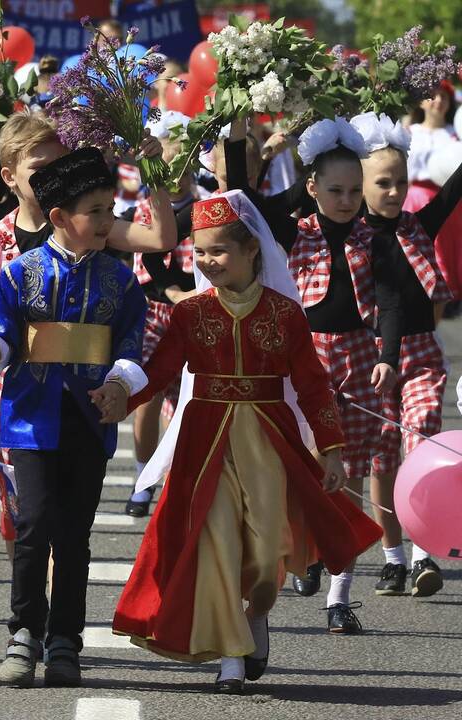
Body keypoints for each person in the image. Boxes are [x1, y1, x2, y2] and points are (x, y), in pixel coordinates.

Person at [112, 191, 383, 694]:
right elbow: (161, 371)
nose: (208, 262)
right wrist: (115, 401)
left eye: (218, 251)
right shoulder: (190, 314)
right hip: (203, 443)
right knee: (216, 543)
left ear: (251, 250)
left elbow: (312, 384)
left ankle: (256, 615)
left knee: (264, 552)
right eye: (199, 253)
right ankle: (231, 658)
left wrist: (331, 448)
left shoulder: (285, 314)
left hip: (268, 440)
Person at [0, 147, 149, 688]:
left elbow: (132, 343)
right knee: (32, 526)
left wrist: (119, 383)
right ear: (59, 218)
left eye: (109, 209)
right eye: (95, 211)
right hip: (29, 418)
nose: (106, 221)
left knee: (73, 535)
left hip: (88, 421)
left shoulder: (120, 282)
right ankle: (23, 631)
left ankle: (66, 639)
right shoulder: (17, 273)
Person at [225, 117, 402, 630]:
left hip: (360, 362)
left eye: (354, 190)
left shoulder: (378, 238)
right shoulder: (292, 229)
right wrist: (238, 140)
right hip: (303, 363)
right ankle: (305, 549)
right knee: (300, 468)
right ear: (312, 188)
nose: (346, 200)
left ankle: (339, 599)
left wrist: (388, 353)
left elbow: (389, 302)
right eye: (335, 190)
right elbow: (242, 199)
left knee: (349, 474)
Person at [351, 112, 461, 597]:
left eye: (400, 181)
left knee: (421, 441)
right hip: (371, 360)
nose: (394, 192)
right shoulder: (351, 237)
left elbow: (454, 190)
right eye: (382, 183)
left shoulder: (419, 224)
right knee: (382, 459)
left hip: (420, 356)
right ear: (360, 186)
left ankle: (423, 555)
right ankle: (392, 556)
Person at [125, 111, 196, 518]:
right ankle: (142, 477)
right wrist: (171, 291)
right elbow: (149, 260)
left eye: (185, 166)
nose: (178, 175)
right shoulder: (146, 209)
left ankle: (171, 479)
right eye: (169, 167)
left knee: (185, 402)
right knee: (146, 396)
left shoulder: (205, 205)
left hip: (194, 310)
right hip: (155, 310)